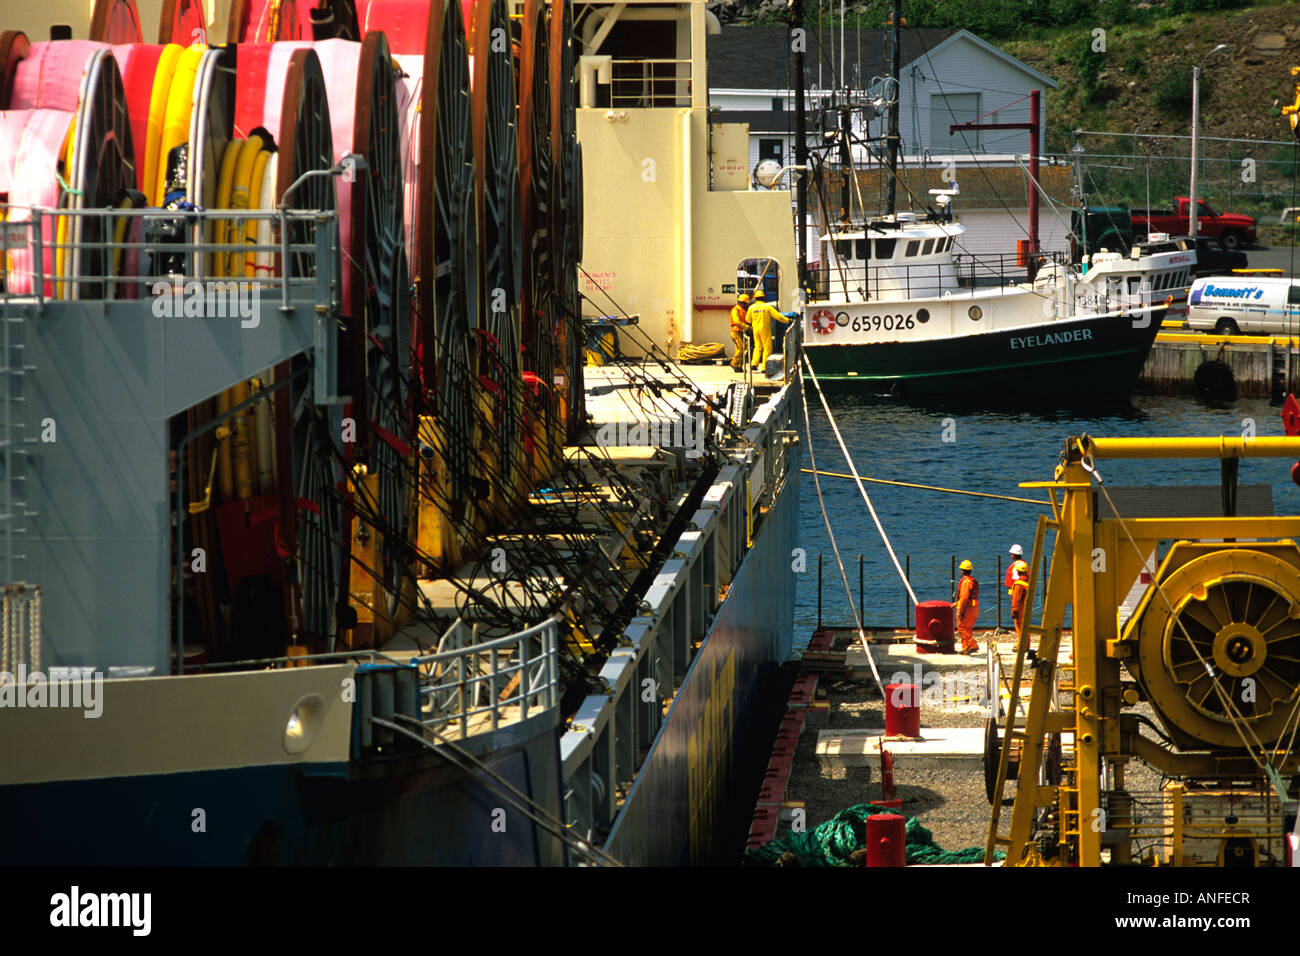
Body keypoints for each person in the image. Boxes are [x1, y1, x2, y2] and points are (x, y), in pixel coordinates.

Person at [745, 289, 791, 372]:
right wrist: (787, 320)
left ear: (755, 298)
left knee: (758, 347)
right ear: (763, 298)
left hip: (755, 329)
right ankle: (764, 367)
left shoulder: (751, 307)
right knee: (767, 348)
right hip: (764, 329)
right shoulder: (767, 307)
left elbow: (747, 320)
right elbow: (778, 316)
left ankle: (754, 364)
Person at [955, 559, 980, 654]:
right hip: (974, 607)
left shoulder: (965, 582)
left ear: (962, 571)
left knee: (962, 627)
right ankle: (965, 647)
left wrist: (959, 611)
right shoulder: (972, 581)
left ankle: (973, 645)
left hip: (968, 608)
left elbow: (964, 598)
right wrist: (956, 603)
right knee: (967, 628)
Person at [729, 293, 751, 369]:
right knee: (742, 348)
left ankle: (738, 366)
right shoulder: (736, 310)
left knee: (740, 349)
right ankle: (734, 363)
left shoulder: (743, 310)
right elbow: (737, 321)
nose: (746, 305)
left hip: (740, 331)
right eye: (745, 303)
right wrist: (747, 327)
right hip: (736, 332)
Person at [1010, 562, 1029, 635]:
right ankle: (1026, 645)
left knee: (1019, 627)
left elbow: (1016, 599)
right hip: (1026, 607)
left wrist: (1015, 611)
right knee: (1025, 627)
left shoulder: (1018, 584)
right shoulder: (1028, 581)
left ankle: (1021, 645)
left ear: (1017, 571)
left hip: (1020, 608)